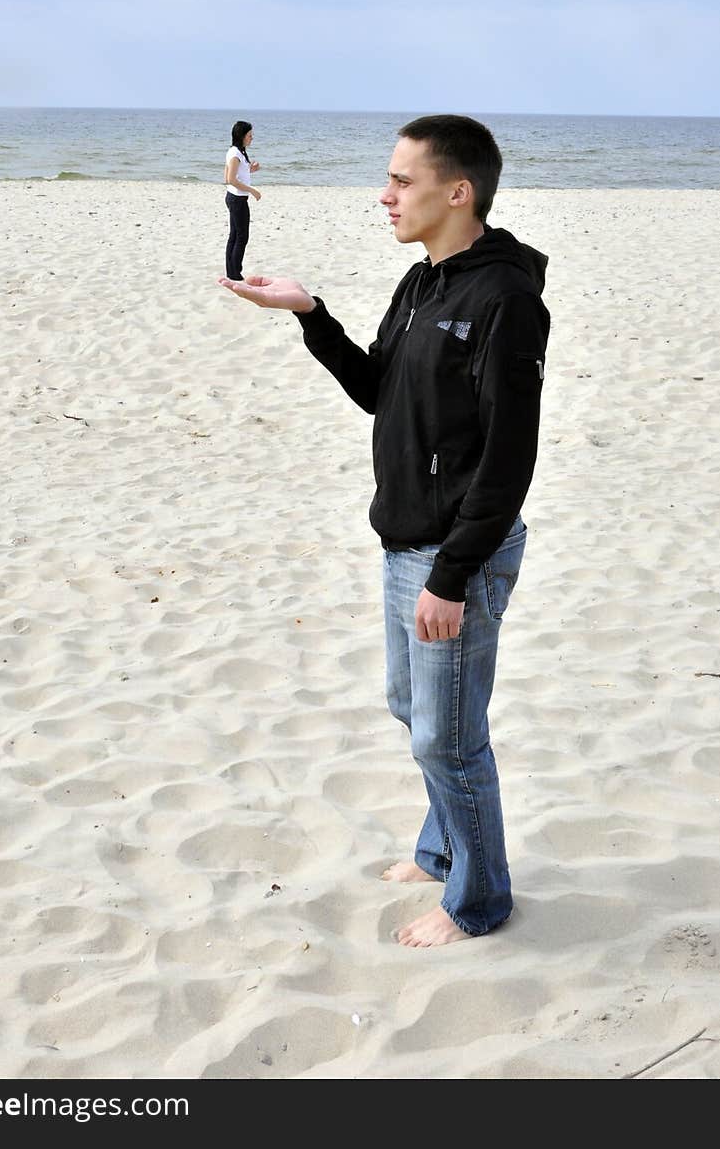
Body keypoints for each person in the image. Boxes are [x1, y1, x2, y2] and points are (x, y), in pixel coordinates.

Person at [218, 115, 550, 948]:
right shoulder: (421, 284)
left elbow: (509, 459)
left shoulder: (504, 299)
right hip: (406, 541)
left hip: (454, 552)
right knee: (412, 709)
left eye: (402, 180)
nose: (385, 193)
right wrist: (310, 313)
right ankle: (441, 851)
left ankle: (478, 900)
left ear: (457, 191)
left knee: (451, 735)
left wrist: (451, 576)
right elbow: (378, 390)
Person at [223, 120, 261, 280]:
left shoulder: (239, 151)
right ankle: (235, 273)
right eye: (249, 135)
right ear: (242, 136)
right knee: (241, 237)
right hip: (237, 200)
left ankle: (232, 272)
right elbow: (229, 179)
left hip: (234, 198)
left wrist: (250, 170)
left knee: (235, 235)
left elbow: (233, 176)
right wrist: (252, 190)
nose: (252, 138)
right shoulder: (235, 154)